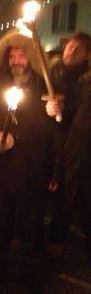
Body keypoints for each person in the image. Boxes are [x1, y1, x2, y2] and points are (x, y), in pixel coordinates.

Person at [0, 30, 59, 289]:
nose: (16, 60)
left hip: (32, 168)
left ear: (31, 58)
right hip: (2, 169)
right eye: (11, 55)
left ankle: (30, 277)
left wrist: (54, 112)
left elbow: (55, 130)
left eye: (21, 55)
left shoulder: (44, 89)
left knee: (31, 225)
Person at [47, 32, 91, 263]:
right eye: (69, 47)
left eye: (78, 50)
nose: (71, 52)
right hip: (60, 140)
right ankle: (57, 238)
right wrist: (52, 110)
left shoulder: (86, 81)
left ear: (86, 55)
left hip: (80, 143)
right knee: (63, 193)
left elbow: (75, 106)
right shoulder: (52, 73)